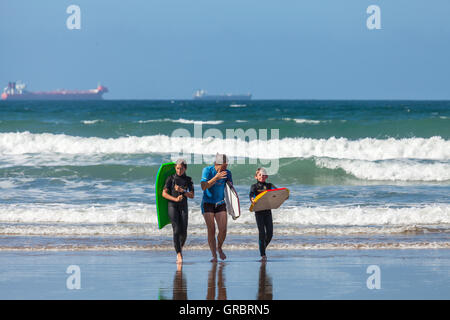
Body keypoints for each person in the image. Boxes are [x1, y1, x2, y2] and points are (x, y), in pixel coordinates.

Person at [201, 153, 233, 262]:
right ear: (216, 164)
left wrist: (234, 208)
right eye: (223, 166)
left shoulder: (228, 173)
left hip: (220, 203)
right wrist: (216, 177)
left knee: (223, 230)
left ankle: (219, 247)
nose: (225, 168)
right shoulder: (207, 170)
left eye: (226, 166)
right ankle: (214, 255)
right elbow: (203, 186)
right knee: (211, 229)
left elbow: (230, 190)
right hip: (207, 203)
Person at [162, 159, 194, 264]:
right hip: (172, 206)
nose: (179, 170)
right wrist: (175, 199)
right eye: (177, 168)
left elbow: (192, 195)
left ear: (185, 168)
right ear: (175, 168)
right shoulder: (170, 179)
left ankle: (179, 247)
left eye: (181, 168)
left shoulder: (188, 180)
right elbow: (164, 194)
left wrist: (183, 191)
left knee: (184, 231)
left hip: (183, 206)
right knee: (176, 230)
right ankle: (179, 254)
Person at [249, 167, 275, 262]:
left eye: (264, 175)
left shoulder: (269, 185)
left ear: (267, 176)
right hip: (259, 212)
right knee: (262, 233)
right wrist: (252, 199)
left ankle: (262, 248)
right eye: (260, 175)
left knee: (270, 234)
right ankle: (263, 255)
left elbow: (277, 192)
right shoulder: (254, 186)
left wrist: (284, 196)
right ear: (256, 176)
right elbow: (251, 195)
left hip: (268, 211)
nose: (262, 176)